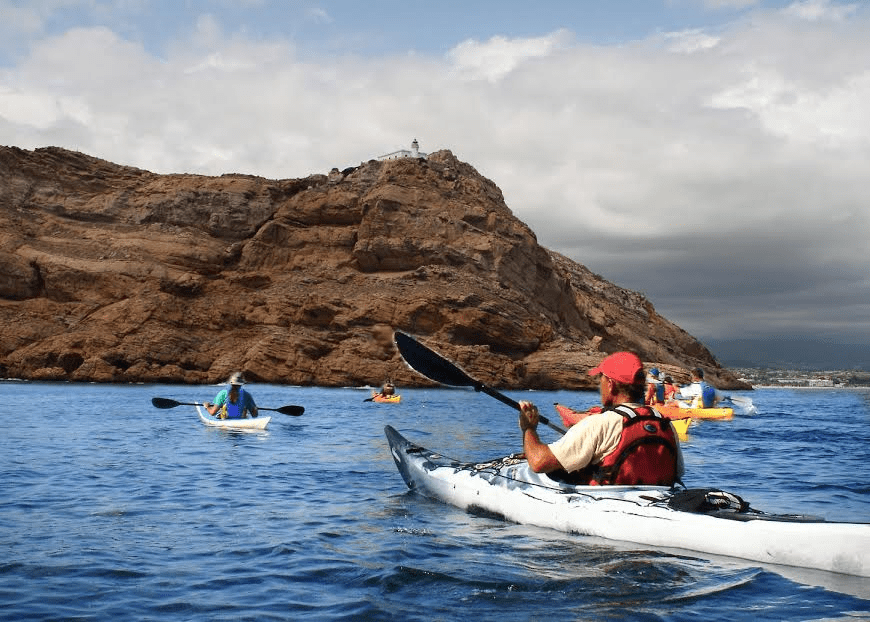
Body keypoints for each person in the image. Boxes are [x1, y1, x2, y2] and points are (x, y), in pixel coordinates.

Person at [518, 352, 683, 486]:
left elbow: (538, 462)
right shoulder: (665, 424)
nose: (600, 385)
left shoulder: (599, 423)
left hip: (607, 504)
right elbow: (679, 473)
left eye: (601, 379)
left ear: (610, 384)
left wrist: (529, 428)